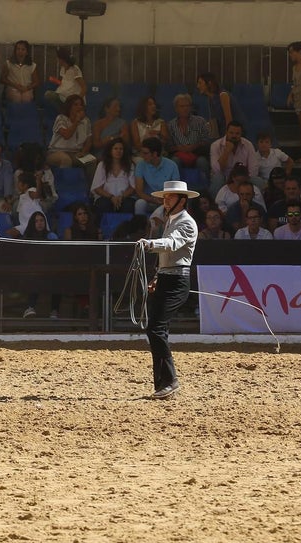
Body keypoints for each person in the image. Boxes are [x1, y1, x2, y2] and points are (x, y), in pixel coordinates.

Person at [137, 180, 198, 400]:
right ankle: (164, 382)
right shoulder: (171, 219)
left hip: (176, 281)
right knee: (156, 328)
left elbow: (172, 244)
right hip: (166, 278)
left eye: (170, 197)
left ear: (182, 200)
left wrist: (150, 244)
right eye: (165, 197)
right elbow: (168, 251)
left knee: (155, 328)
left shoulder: (186, 223)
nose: (166, 200)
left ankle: (170, 381)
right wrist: (156, 276)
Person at [19, 211, 61, 318]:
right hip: (33, 270)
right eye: (36, 221)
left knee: (58, 279)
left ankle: (54, 311)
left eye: (41, 220)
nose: (39, 223)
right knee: (35, 276)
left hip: (50, 270)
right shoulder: (27, 237)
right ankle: (30, 307)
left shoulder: (51, 236)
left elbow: (57, 254)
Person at [209, 122, 258, 197]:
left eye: (237, 133)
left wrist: (243, 180)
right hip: (224, 177)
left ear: (241, 134)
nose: (234, 136)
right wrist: (226, 151)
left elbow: (253, 168)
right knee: (218, 179)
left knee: (258, 181)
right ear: (226, 132)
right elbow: (217, 170)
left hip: (243, 177)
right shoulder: (215, 145)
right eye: (231, 133)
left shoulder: (248, 145)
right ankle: (215, 205)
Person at [90, 138, 138, 215]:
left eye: (121, 149)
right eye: (115, 148)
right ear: (110, 150)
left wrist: (121, 197)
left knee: (128, 205)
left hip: (125, 197)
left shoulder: (130, 165)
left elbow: (133, 187)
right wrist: (111, 197)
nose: (118, 151)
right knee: (103, 205)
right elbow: (97, 188)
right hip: (106, 197)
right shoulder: (102, 165)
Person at [46, 95, 94, 169]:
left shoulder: (86, 121)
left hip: (76, 153)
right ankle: (64, 180)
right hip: (57, 152)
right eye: (75, 105)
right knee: (66, 160)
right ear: (69, 107)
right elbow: (67, 135)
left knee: (91, 161)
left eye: (81, 105)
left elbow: (89, 140)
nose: (79, 107)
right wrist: (76, 121)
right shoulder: (61, 118)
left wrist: (83, 152)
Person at [134, 138, 180, 214]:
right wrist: (153, 199)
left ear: (155, 154)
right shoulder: (140, 165)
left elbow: (176, 190)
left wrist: (165, 199)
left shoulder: (172, 166)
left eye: (145, 153)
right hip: (149, 200)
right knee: (140, 203)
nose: (142, 156)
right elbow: (139, 191)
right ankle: (139, 225)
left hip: (167, 200)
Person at [167, 94, 211, 172]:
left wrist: (194, 146)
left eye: (187, 106)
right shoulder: (171, 125)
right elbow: (169, 146)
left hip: (198, 154)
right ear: (176, 108)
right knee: (174, 161)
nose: (185, 109)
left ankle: (205, 184)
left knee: (202, 162)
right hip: (179, 155)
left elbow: (207, 141)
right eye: (182, 106)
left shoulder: (200, 121)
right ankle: (175, 183)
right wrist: (180, 148)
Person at [196, 72, 242, 138]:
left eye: (200, 83)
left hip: (233, 134)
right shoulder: (210, 99)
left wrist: (227, 139)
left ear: (209, 83)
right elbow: (214, 121)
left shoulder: (223, 95)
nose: (198, 86)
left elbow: (229, 120)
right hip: (221, 133)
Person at [6, 171, 45, 237]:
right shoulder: (22, 195)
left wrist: (38, 181)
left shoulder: (30, 191)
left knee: (10, 233)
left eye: (19, 182)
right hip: (25, 224)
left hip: (33, 224)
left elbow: (37, 194)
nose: (17, 184)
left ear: (25, 185)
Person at [1, 40, 39, 104]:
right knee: (17, 97)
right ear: (15, 51)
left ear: (27, 52)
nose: (20, 51)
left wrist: (27, 88)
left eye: (23, 49)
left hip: (27, 88)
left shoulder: (32, 65)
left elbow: (36, 82)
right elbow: (3, 79)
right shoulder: (9, 64)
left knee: (26, 97)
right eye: (18, 49)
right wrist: (15, 85)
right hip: (12, 88)